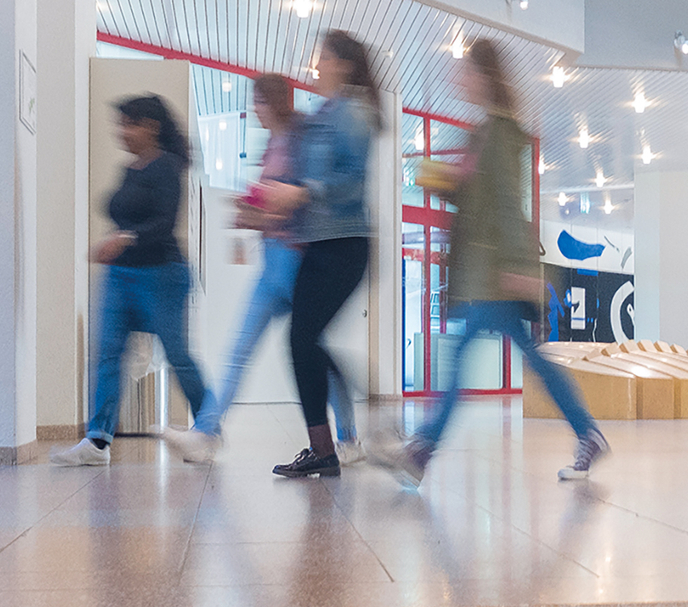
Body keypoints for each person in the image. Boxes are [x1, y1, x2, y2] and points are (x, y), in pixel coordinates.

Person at [395, 39, 607, 483]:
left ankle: (423, 450)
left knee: (466, 359)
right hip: (483, 273)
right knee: (529, 359)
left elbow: (511, 205)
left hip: (493, 275)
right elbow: (483, 200)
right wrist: (449, 185)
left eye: (465, 72)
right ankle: (587, 432)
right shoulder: (485, 132)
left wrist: (521, 267)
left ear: (485, 77)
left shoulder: (503, 134)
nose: (459, 79)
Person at [167, 74, 359, 466]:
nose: (254, 109)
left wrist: (264, 209)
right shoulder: (271, 144)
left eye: (259, 101)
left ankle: (349, 437)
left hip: (295, 261)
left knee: (314, 350)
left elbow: (302, 199)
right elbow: (272, 201)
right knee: (240, 348)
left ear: (275, 101)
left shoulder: (302, 139)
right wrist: (251, 213)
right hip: (272, 261)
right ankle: (206, 432)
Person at [51, 95, 212, 466]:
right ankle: (97, 441)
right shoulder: (131, 169)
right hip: (120, 276)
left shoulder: (168, 167)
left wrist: (125, 238)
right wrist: (117, 242)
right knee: (107, 354)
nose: (121, 132)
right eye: (120, 124)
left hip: (163, 275)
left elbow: (164, 223)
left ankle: (208, 429)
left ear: (151, 127)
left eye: (129, 124)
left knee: (178, 356)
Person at [254, 30, 381, 478]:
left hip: (345, 243)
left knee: (304, 338)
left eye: (324, 57)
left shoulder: (354, 112)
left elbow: (352, 181)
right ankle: (323, 450)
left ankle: (341, 437)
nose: (317, 64)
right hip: (319, 242)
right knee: (301, 340)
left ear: (344, 64)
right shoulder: (324, 114)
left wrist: (303, 192)